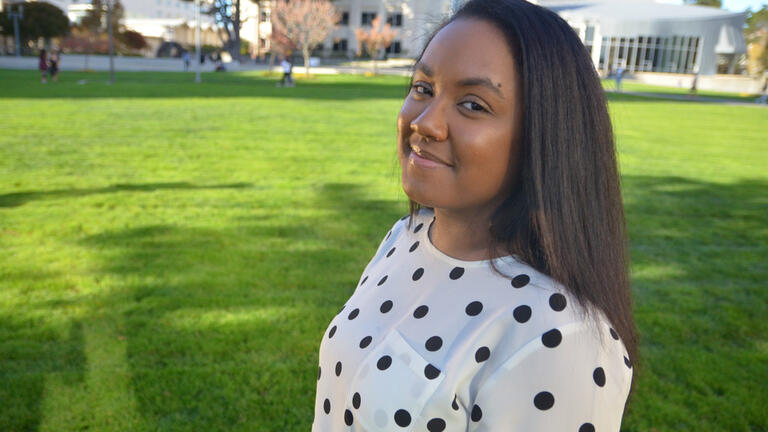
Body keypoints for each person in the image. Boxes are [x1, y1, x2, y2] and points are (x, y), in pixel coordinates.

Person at [312, 0, 638, 431]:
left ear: (544, 138)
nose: (424, 123)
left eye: (473, 105)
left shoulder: (556, 335)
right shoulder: (404, 237)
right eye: (423, 88)